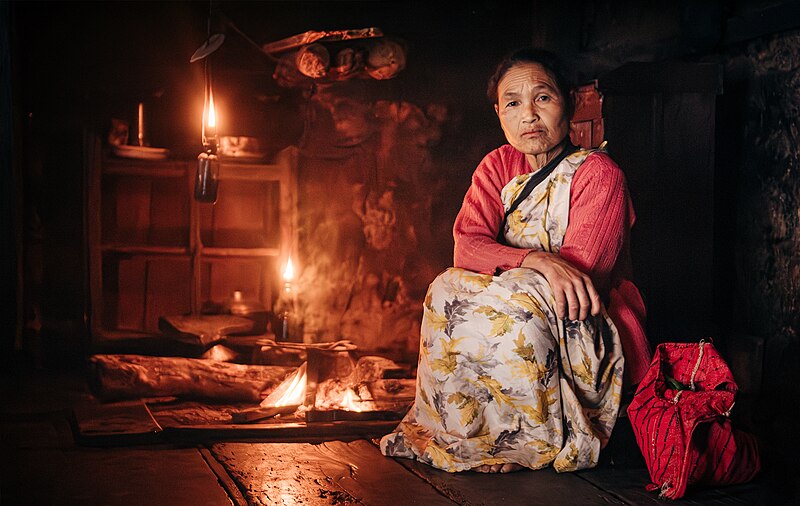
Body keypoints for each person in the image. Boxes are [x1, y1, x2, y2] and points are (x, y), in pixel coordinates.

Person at [380, 47, 652, 474]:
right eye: (513, 103)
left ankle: (528, 441)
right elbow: (466, 247)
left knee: (524, 303)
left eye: (543, 98)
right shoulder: (497, 166)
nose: (528, 115)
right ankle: (474, 431)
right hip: (521, 296)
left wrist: (525, 272)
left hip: (581, 319)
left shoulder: (599, 174)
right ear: (499, 114)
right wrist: (538, 259)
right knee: (444, 290)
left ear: (572, 102)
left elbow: (579, 282)